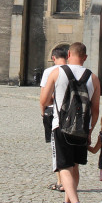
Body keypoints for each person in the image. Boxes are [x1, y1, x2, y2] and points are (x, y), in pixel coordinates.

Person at [40, 41, 100, 203]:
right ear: (85, 57)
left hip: (61, 126)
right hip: (82, 129)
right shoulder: (93, 78)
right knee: (74, 167)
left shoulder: (57, 72)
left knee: (64, 166)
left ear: (69, 54)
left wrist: (52, 99)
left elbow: (44, 100)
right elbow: (96, 109)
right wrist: (89, 130)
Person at [41, 46, 68, 194]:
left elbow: (43, 98)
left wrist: (42, 114)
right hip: (71, 116)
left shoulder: (49, 72)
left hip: (54, 114)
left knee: (56, 149)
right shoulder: (72, 70)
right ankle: (69, 182)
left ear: (53, 58)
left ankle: (60, 182)